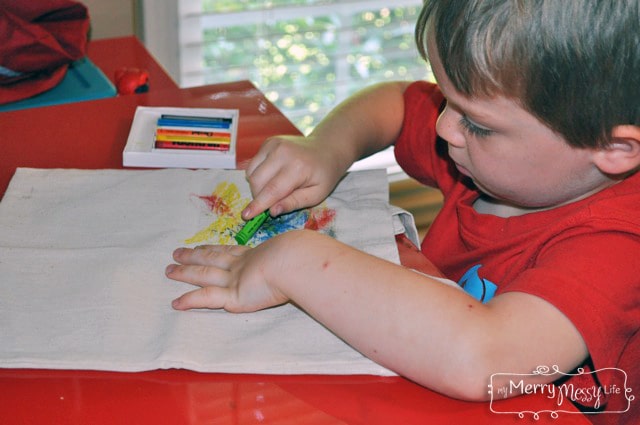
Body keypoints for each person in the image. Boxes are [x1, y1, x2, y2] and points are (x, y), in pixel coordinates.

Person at [166, 0, 639, 422]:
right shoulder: (491, 158)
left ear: (614, 149)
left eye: (476, 122)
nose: (443, 125)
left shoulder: (621, 245)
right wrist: (328, 147)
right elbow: (394, 100)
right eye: (446, 98)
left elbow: (487, 357)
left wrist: (295, 261)